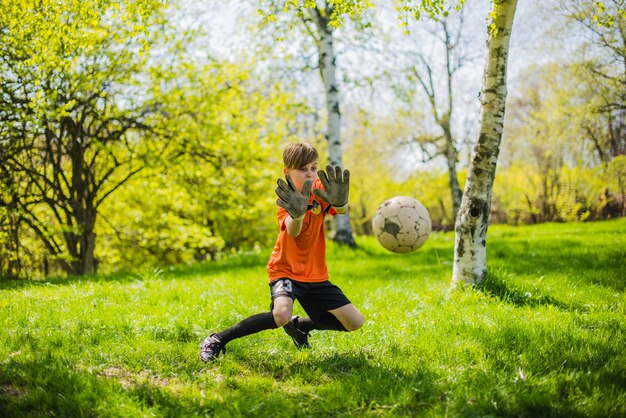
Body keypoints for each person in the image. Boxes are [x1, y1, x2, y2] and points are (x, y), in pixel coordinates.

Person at [199, 142, 364, 362]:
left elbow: (339, 210)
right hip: (285, 269)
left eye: (314, 168)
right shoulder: (286, 197)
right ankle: (218, 338)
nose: (310, 173)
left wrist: (342, 203)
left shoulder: (320, 189)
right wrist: (297, 213)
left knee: (354, 322)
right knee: (280, 314)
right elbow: (293, 232)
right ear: (288, 171)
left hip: (315, 273)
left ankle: (300, 326)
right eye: (303, 169)